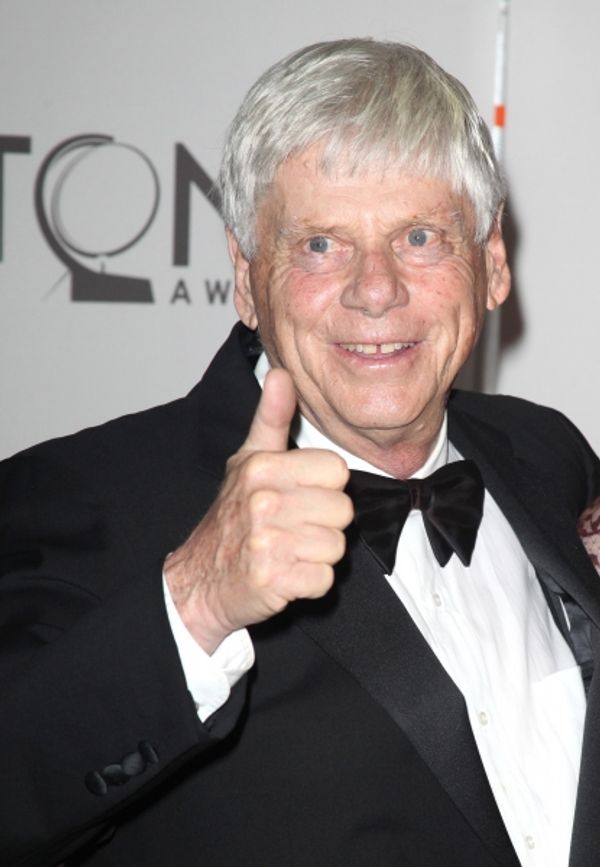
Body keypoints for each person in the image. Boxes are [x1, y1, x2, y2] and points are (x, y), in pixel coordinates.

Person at [1, 38, 599, 867]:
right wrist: (195, 602)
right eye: (320, 244)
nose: (376, 289)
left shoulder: (548, 453)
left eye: (420, 236)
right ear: (246, 275)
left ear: (492, 263)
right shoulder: (77, 497)